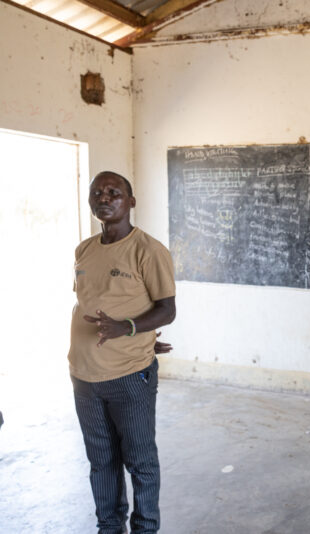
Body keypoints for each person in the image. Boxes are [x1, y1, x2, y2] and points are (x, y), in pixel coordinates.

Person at [69, 171, 176, 534]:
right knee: (101, 462)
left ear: (131, 202)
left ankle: (145, 529)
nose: (104, 197)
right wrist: (141, 333)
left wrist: (129, 331)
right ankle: (108, 528)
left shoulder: (149, 250)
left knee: (140, 461)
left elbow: (167, 309)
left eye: (114, 192)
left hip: (130, 375)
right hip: (83, 376)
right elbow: (91, 301)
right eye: (97, 192)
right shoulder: (84, 249)